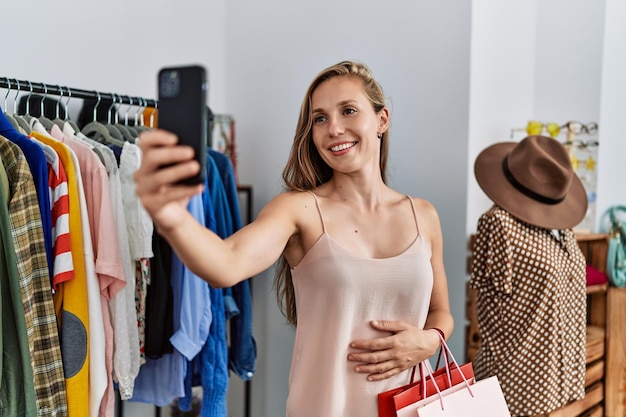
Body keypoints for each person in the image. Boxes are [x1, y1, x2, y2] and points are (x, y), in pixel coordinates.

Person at [134, 60, 453, 416]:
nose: (333, 128)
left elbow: (441, 312)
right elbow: (226, 264)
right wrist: (171, 217)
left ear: (382, 120)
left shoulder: (423, 215)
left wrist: (430, 340)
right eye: (319, 118)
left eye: (348, 111)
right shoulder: (298, 210)